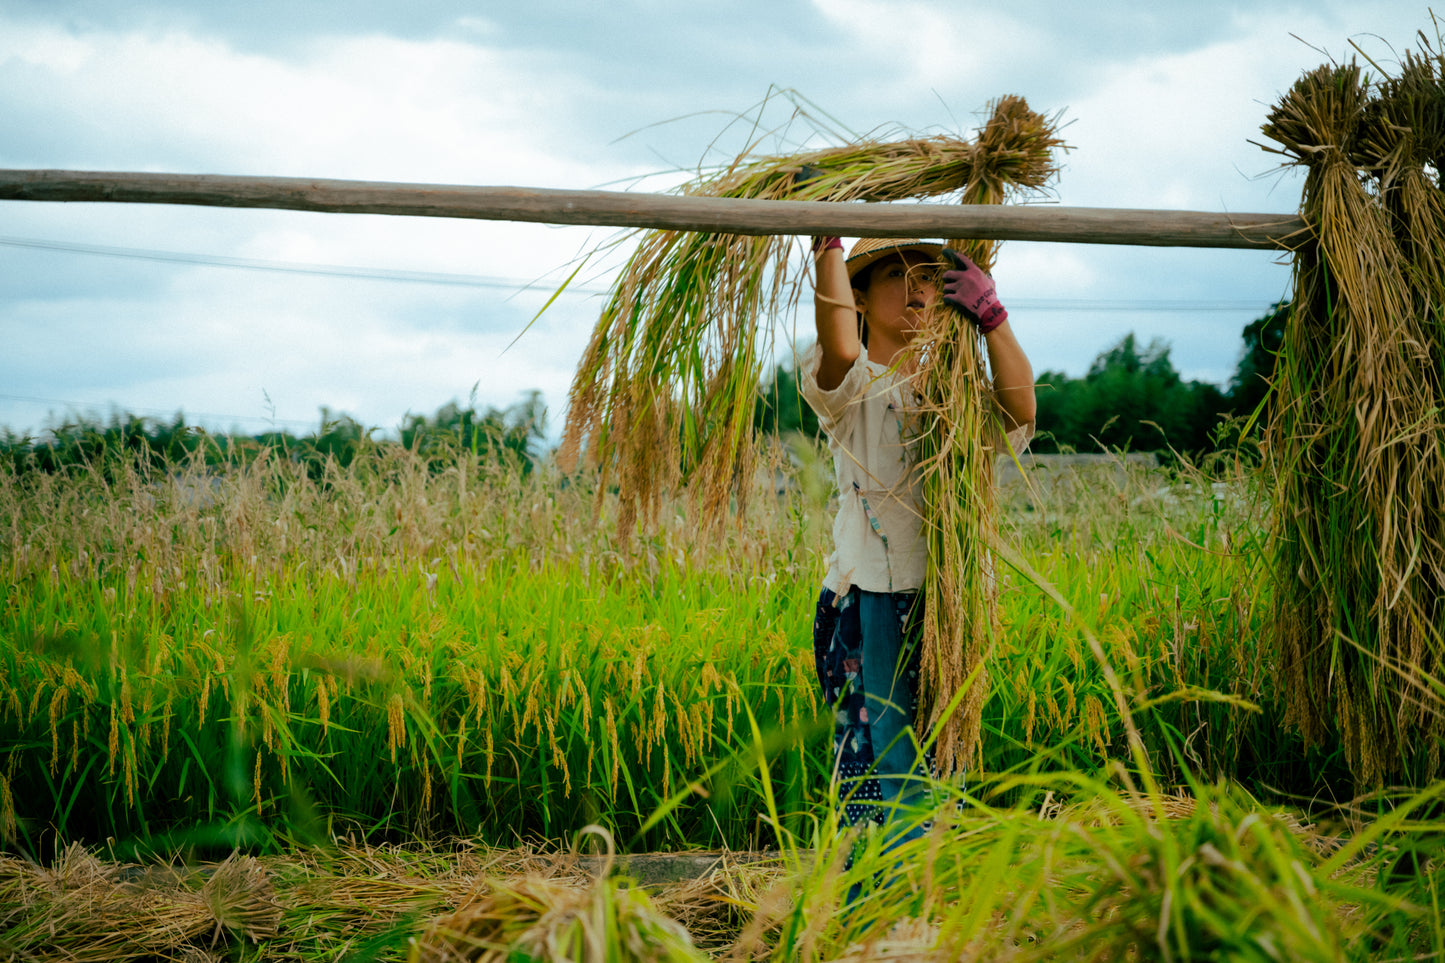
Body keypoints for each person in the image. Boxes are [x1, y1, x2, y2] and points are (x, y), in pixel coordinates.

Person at [799, 235, 1036, 864]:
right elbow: (841, 345)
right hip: (867, 601)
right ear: (858, 298)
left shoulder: (953, 395)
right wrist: (826, 243)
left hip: (946, 604)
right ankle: (871, 918)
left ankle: (928, 912)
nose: (918, 288)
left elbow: (1018, 410)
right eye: (896, 275)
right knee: (879, 775)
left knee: (941, 769)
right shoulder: (851, 388)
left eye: (930, 276)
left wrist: (995, 322)